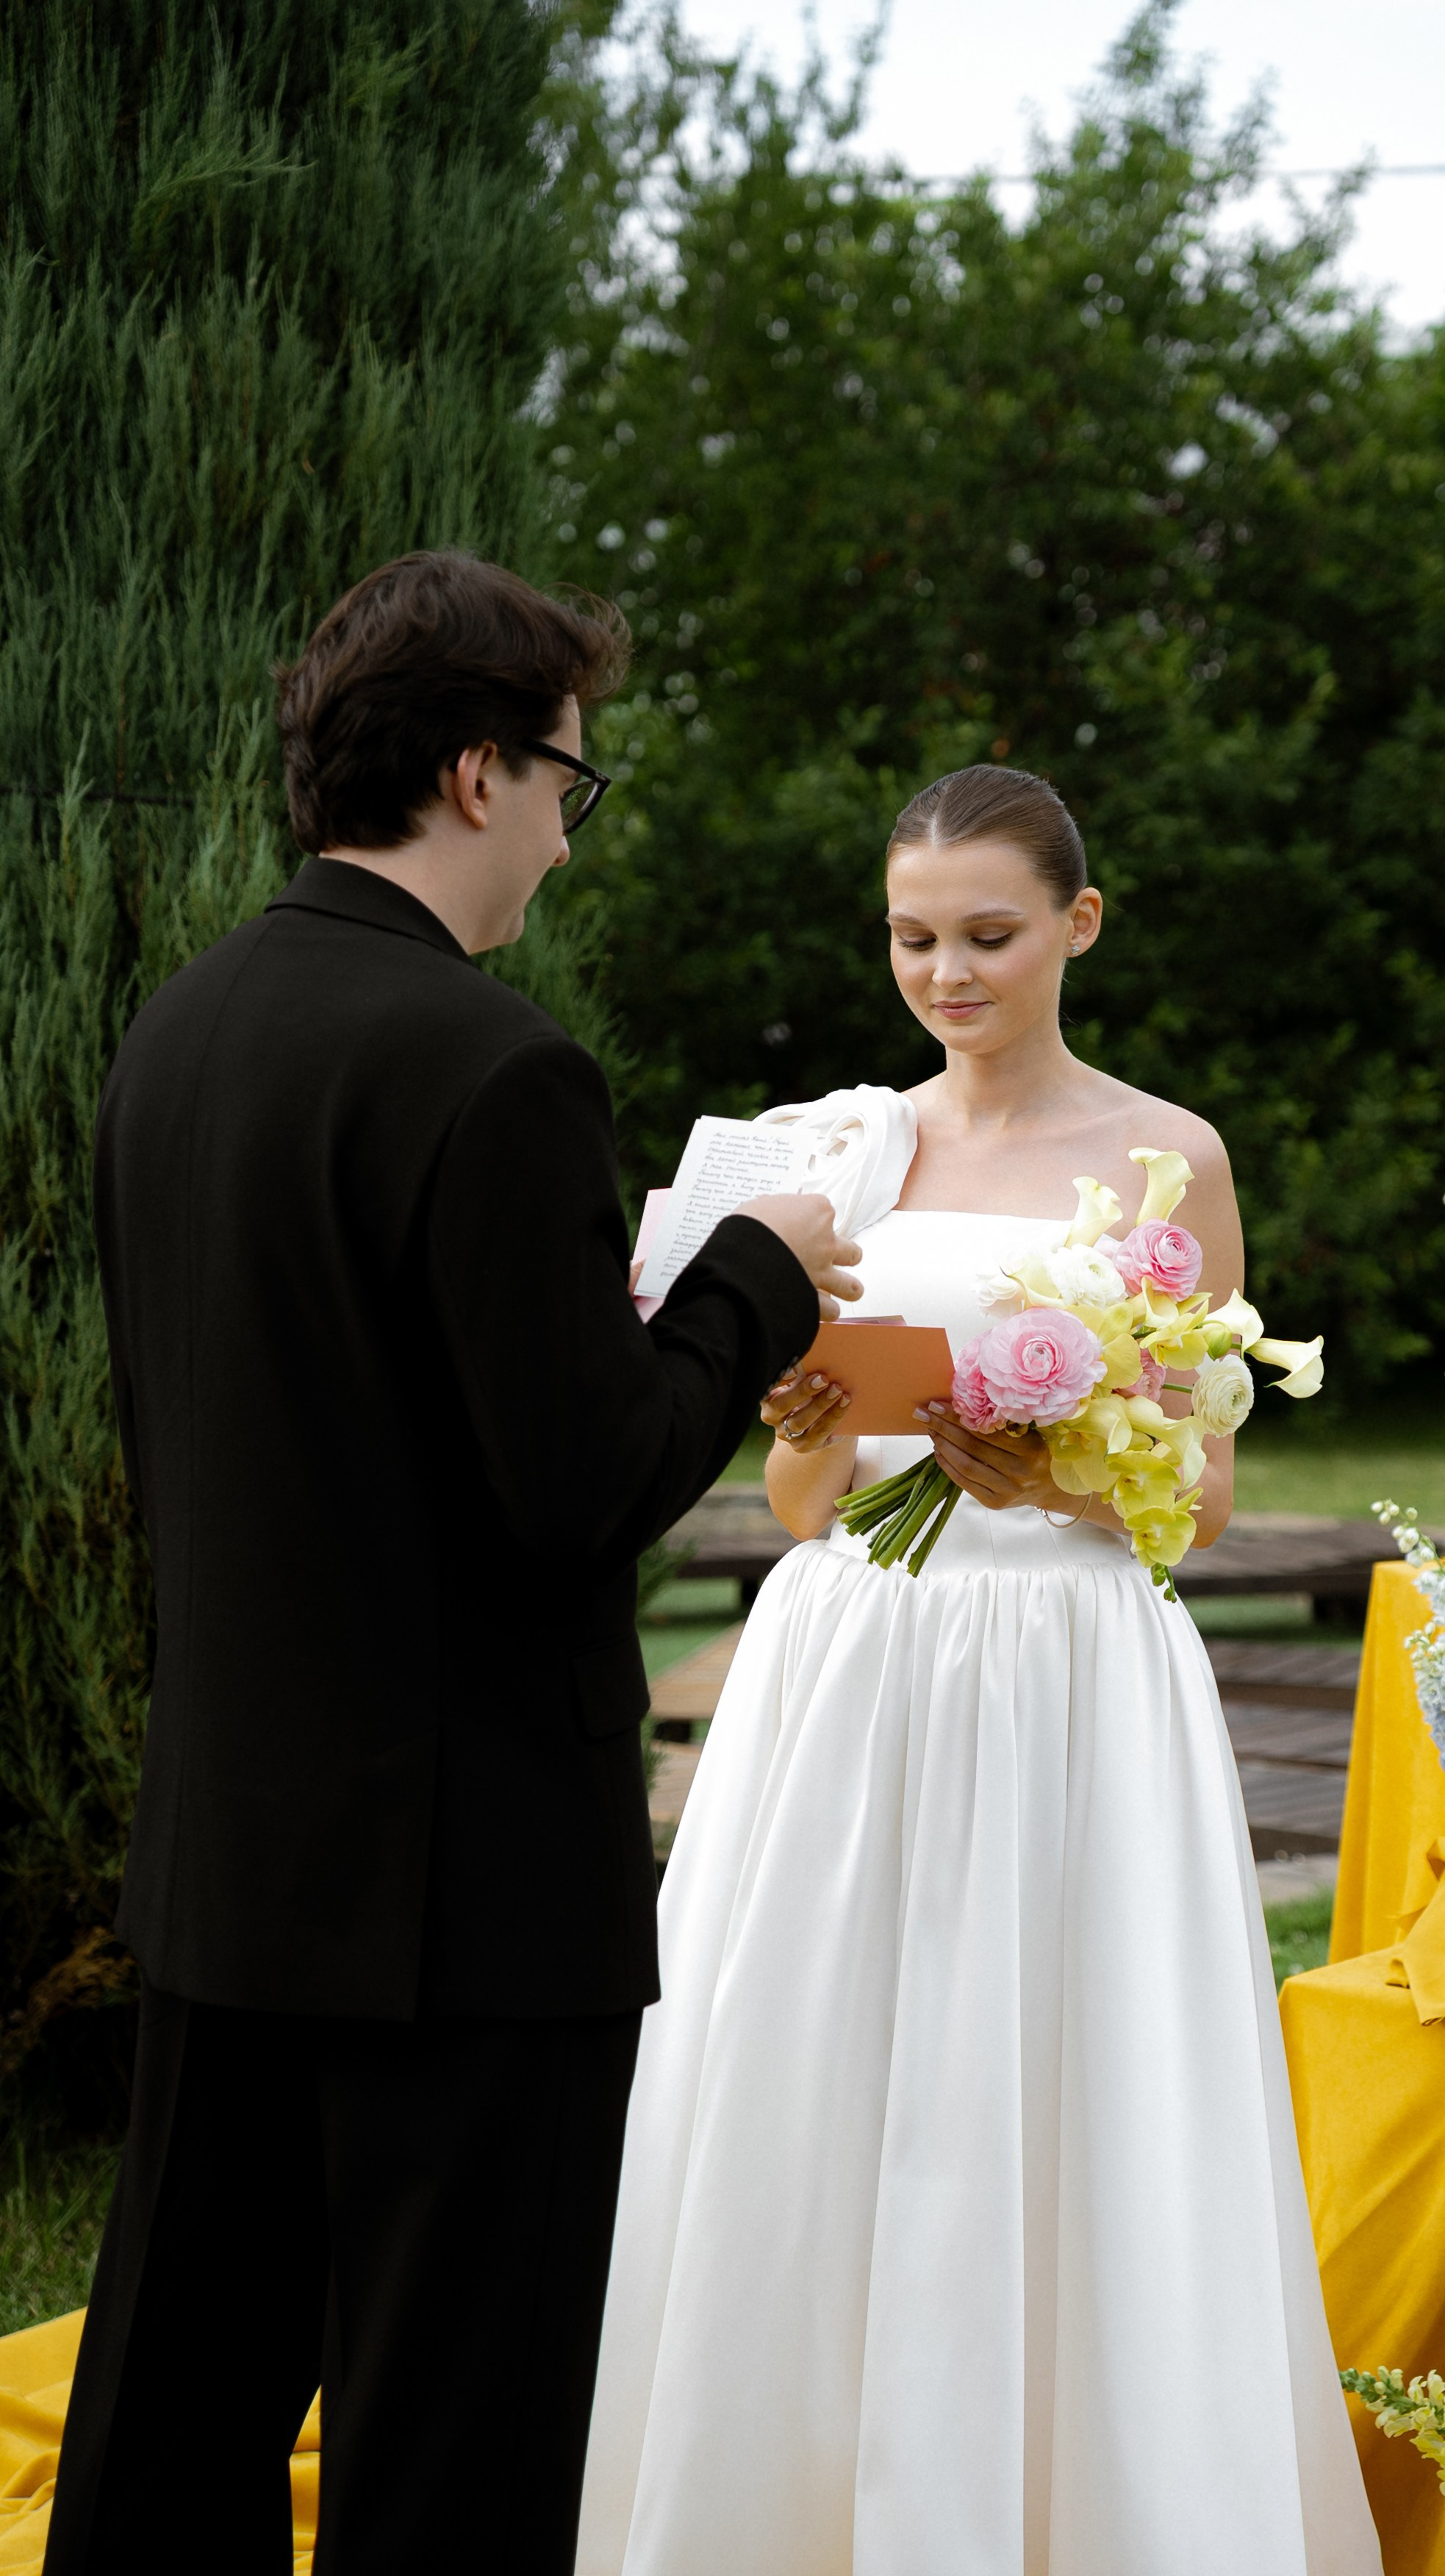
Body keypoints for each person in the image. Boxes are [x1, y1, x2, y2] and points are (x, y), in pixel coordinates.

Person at [44, 550, 858, 2576]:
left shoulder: (185, 1028)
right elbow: (580, 1481)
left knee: (168, 2420)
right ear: (485, 772)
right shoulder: (494, 1069)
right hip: (471, 1905)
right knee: (454, 2458)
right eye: (578, 788)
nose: (572, 845)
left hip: (234, 1862)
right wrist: (754, 1282)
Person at [576, 764, 1383, 2575]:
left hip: (1074, 1665)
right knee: (815, 2058)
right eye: (913, 937)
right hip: (855, 1651)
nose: (945, 973)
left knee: (1071, 2075)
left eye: (987, 937)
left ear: (1078, 927)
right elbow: (797, 1501)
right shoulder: (836, 1149)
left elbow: (1204, 1492)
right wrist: (797, 1420)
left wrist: (1069, 1469)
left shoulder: (1168, 1155)